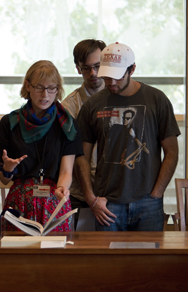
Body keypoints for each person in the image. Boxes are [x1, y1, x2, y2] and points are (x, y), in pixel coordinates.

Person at [76, 42, 180, 231]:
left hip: (148, 202)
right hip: (107, 204)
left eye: (117, 77)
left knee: (149, 260)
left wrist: (156, 194)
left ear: (132, 69)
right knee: (107, 260)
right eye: (106, 77)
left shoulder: (157, 100)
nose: (111, 83)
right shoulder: (92, 105)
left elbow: (171, 152)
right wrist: (90, 197)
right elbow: (81, 154)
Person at [0, 60, 83, 231]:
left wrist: (62, 188)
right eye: (39, 87)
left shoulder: (67, 125)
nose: (45, 95)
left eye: (51, 88)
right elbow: (4, 180)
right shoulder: (10, 122)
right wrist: (8, 170)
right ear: (28, 86)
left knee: (56, 256)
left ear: (58, 89)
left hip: (54, 201)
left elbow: (66, 171)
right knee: (16, 255)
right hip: (19, 202)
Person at [61, 39, 106, 230]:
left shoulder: (119, 98)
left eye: (97, 66)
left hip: (112, 192)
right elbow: (70, 154)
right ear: (78, 69)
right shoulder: (69, 106)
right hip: (80, 194)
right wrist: (89, 196)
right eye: (86, 68)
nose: (93, 73)